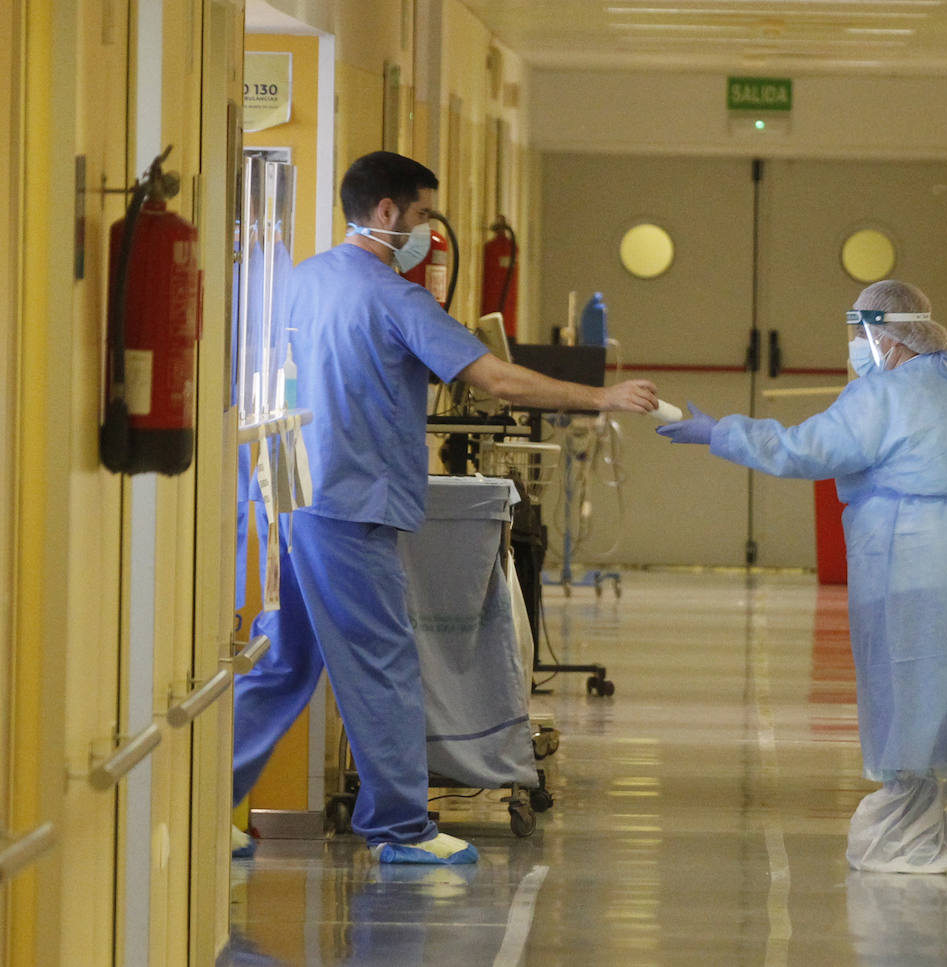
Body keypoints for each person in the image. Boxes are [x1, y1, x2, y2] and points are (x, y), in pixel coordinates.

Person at [232, 151, 657, 865]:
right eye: (426, 215)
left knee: (286, 661)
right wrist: (600, 398)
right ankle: (400, 829)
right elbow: (495, 379)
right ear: (389, 213)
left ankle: (207, 803)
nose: (431, 231)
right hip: (354, 505)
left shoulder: (300, 281)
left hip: (294, 502)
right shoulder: (396, 299)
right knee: (386, 665)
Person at [656, 279, 947, 873]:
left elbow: (806, 450)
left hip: (917, 561)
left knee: (910, 690)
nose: (857, 351)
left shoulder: (884, 397)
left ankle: (909, 831)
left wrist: (721, 433)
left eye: (859, 338)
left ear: (884, 336)